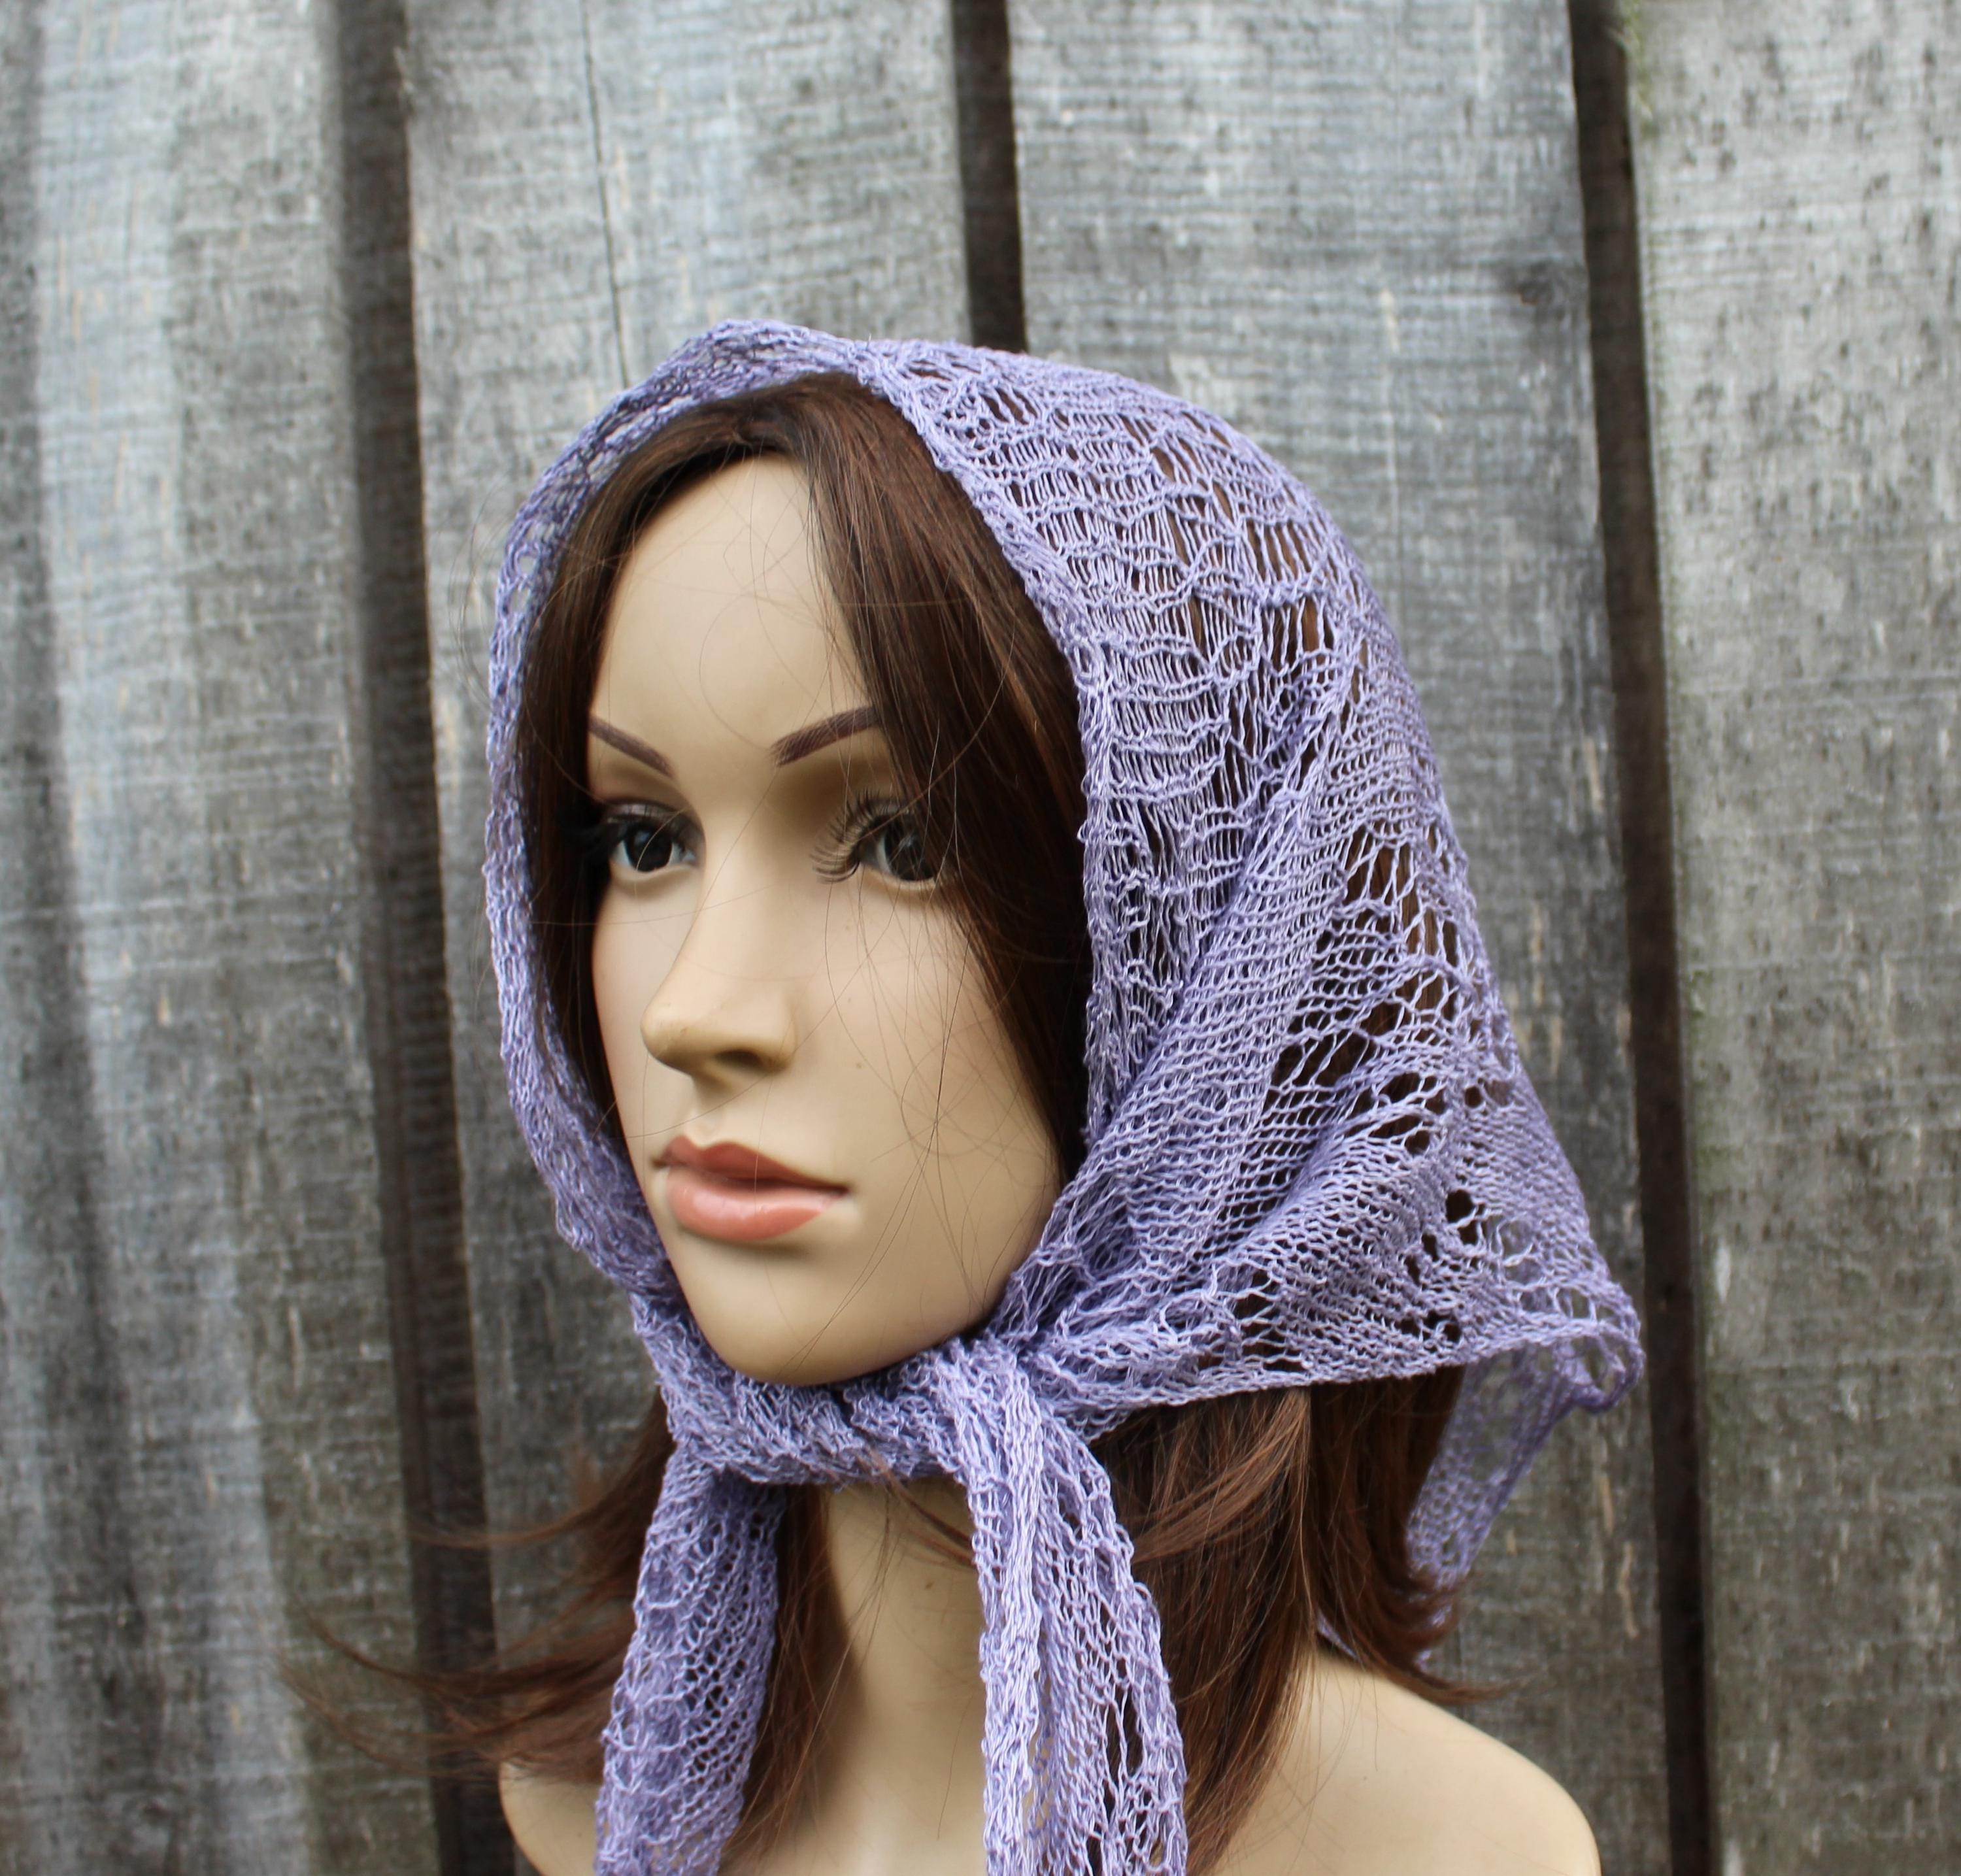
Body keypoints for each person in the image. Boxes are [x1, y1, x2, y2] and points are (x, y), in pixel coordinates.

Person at [461, 322, 1642, 1874]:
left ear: (1220, 960)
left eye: (897, 840)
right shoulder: (610, 1790)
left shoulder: (1444, 1848)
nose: (693, 1009)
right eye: (643, 837)